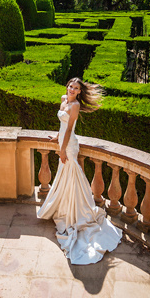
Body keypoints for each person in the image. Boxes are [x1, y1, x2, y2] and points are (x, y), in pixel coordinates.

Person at [37, 77, 122, 264]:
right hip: (62, 141)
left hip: (70, 145)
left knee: (72, 176)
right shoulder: (63, 99)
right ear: (67, 86)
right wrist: (56, 137)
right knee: (65, 177)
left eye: (75, 88)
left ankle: (77, 213)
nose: (71, 89)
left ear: (79, 92)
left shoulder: (74, 105)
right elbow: (62, 126)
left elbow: (69, 129)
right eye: (70, 86)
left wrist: (62, 149)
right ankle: (66, 208)